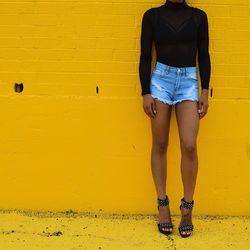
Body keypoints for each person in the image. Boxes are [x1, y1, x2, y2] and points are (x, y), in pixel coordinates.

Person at [139, 0, 211, 237]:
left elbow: (204, 55)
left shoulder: (199, 17)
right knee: (160, 144)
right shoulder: (152, 16)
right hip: (160, 80)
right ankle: (162, 205)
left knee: (189, 145)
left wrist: (204, 91)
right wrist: (146, 92)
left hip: (189, 82)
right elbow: (145, 56)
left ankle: (187, 207)